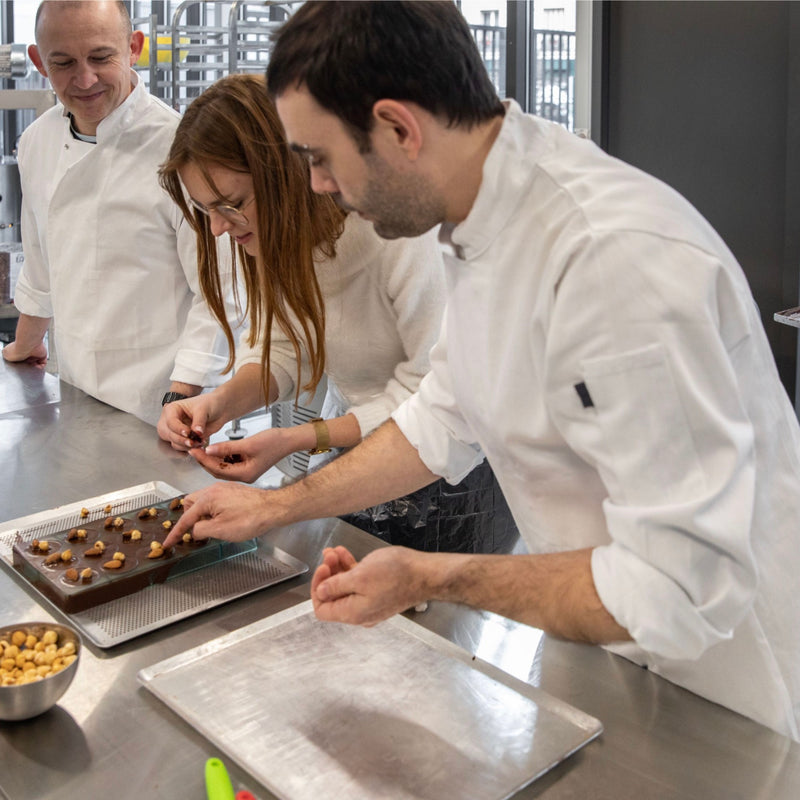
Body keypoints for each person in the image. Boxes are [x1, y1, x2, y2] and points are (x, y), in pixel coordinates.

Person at [164, 1, 800, 740]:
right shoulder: (471, 223)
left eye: (319, 158)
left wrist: (435, 575)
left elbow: (683, 585)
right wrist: (277, 507)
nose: (314, 187)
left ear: (399, 129)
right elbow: (443, 415)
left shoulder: (612, 259)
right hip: (600, 643)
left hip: (732, 695)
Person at [157, 73, 517, 554]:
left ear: (286, 173)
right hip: (366, 456)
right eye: (208, 211)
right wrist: (220, 404)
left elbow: (433, 400)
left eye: (233, 204)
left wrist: (298, 439)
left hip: (457, 482)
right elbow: (289, 346)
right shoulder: (273, 234)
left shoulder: (398, 230)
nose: (220, 227)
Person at [3, 1, 235, 426]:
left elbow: (219, 294)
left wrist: (178, 400)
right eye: (64, 63)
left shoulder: (179, 149)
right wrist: (23, 346)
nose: (85, 79)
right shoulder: (36, 142)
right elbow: (40, 263)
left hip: (157, 404)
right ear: (39, 62)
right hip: (72, 391)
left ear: (133, 48)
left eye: (100, 57)